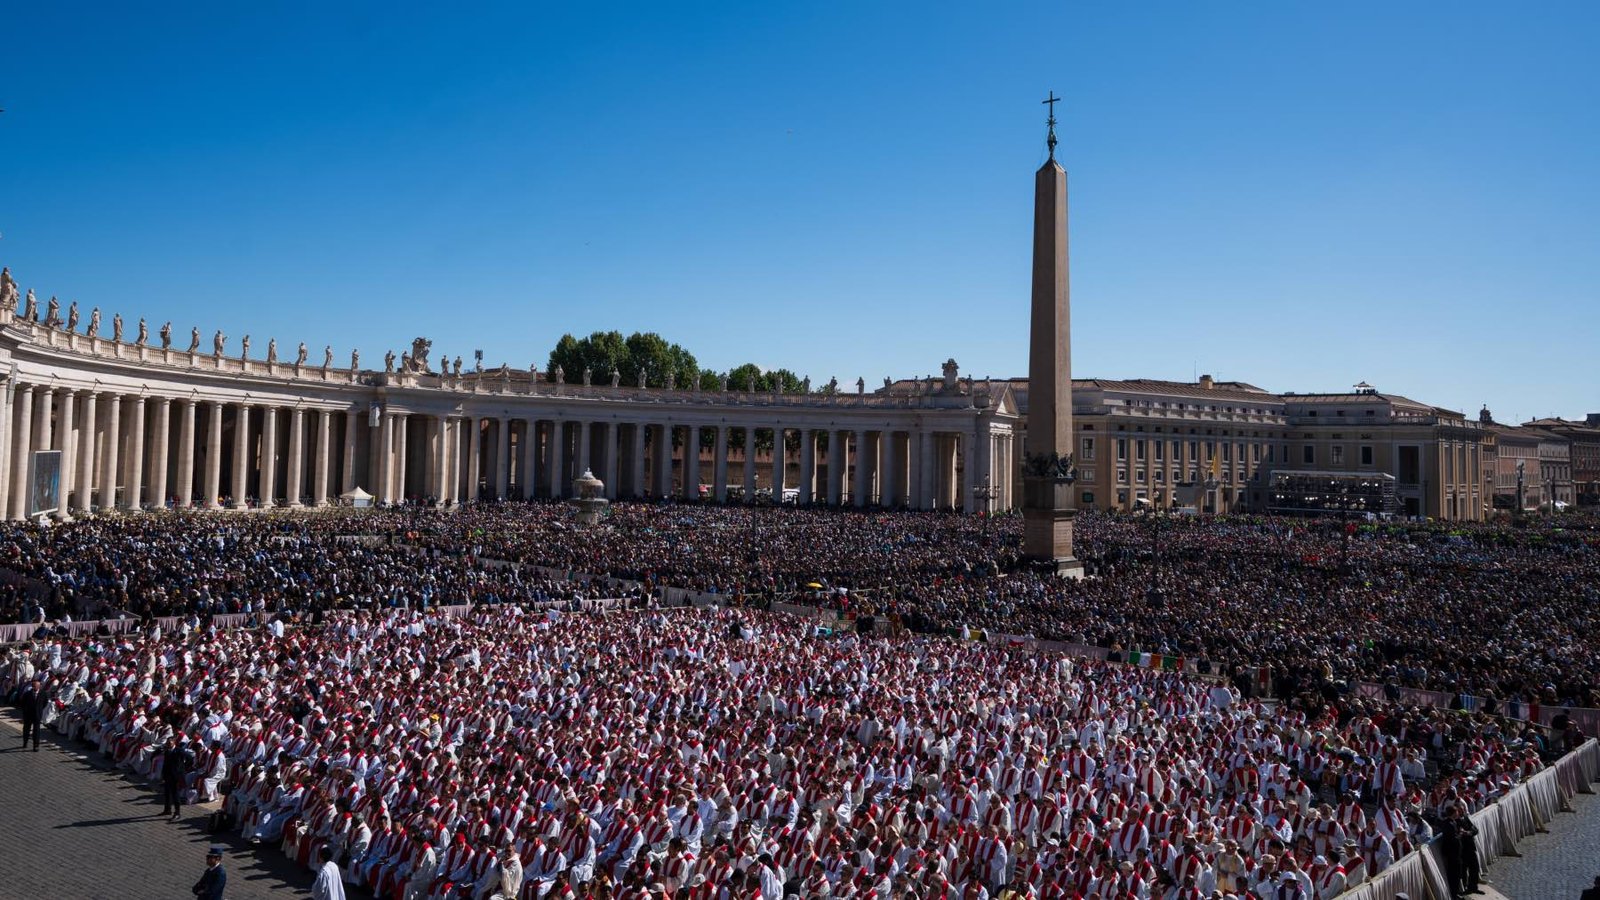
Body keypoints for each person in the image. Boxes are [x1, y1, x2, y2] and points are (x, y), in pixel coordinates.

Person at [161, 735, 195, 820]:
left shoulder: (179, 751)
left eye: (170, 742)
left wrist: (183, 768)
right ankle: (167, 809)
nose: (168, 744)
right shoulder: (167, 751)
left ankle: (177, 812)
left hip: (176, 776)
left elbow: (190, 758)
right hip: (167, 775)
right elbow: (165, 763)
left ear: (174, 743)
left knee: (175, 794)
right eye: (167, 743)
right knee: (167, 793)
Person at [17, 675, 44, 750]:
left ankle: (36, 745)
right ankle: (25, 742)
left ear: (39, 686)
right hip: (28, 715)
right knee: (26, 729)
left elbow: (44, 703)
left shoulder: (42, 694)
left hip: (37, 715)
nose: (34, 688)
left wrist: (39, 710)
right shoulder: (27, 694)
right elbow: (22, 704)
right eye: (33, 686)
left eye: (35, 686)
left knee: (36, 730)